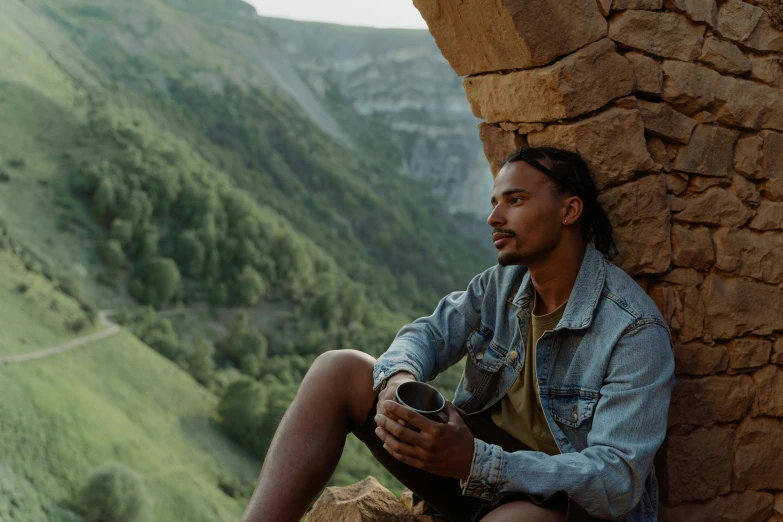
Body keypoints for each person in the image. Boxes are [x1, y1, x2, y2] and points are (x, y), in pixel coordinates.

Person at [240, 147, 675, 522]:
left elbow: (617, 479)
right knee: (339, 370)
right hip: (471, 469)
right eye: (494, 202)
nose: (494, 217)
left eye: (515, 200)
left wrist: (476, 460)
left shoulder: (633, 330)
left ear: (569, 210)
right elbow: (425, 335)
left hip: (564, 503)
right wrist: (396, 379)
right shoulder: (499, 285)